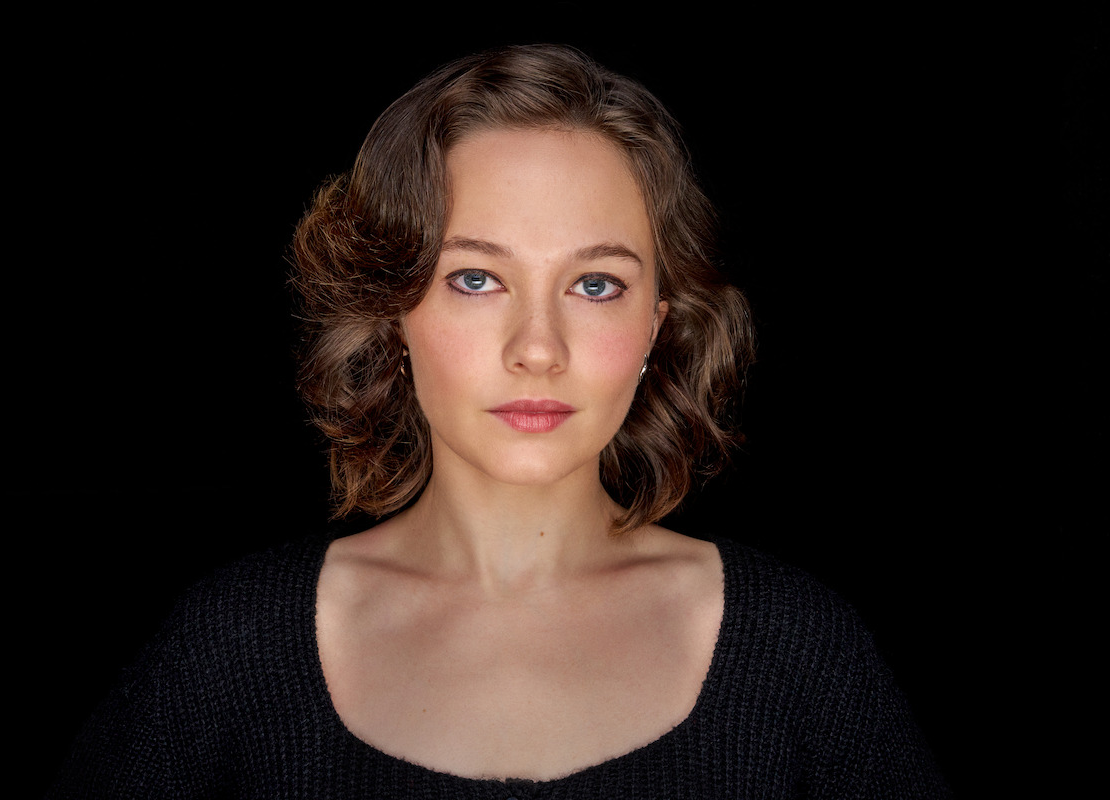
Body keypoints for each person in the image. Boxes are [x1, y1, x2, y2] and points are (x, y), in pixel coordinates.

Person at [47, 44, 950, 798]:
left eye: (595, 284)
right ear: (392, 312)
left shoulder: (800, 652)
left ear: (655, 327)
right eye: (476, 278)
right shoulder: (231, 647)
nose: (538, 348)